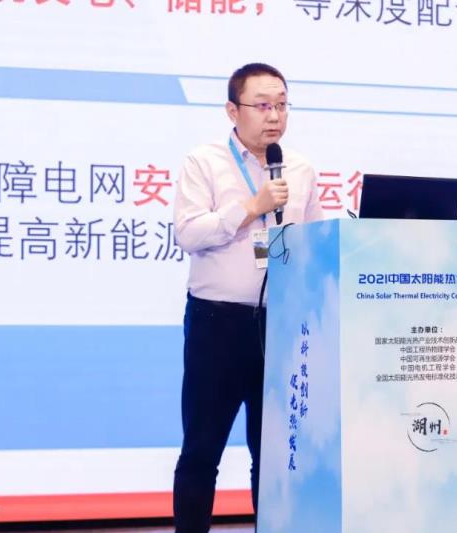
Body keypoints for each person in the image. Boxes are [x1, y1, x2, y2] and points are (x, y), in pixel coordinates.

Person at [172, 63, 323, 533]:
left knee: (272, 454)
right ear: (232, 111)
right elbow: (188, 233)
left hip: (279, 324)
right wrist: (250, 208)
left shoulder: (300, 169)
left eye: (281, 105)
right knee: (202, 450)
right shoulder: (204, 162)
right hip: (216, 324)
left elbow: (314, 243)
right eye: (262, 105)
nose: (274, 116)